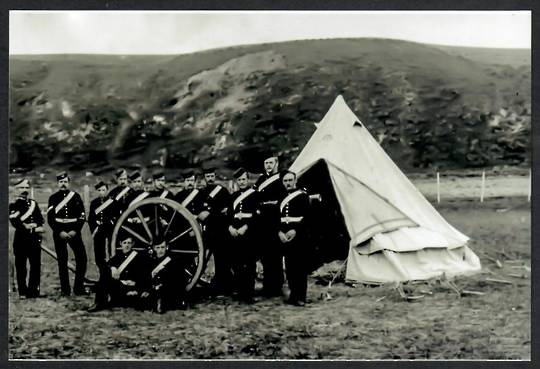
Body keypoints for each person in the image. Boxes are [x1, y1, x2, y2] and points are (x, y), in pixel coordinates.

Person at [47, 171, 88, 296]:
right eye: (61, 182)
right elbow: (50, 218)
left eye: (65, 182)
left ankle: (78, 288)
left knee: (82, 259)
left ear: (68, 183)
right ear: (58, 183)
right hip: (59, 232)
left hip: (74, 231)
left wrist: (75, 230)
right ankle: (65, 290)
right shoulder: (53, 198)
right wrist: (59, 231)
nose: (63, 184)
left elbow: (82, 216)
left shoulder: (76, 197)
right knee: (62, 261)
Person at [254, 153, 286, 297]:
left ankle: (276, 286)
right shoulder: (261, 179)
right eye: (266, 163)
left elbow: (284, 199)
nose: (268, 165)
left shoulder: (282, 178)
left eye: (271, 163)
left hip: (275, 219)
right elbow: (256, 197)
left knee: (275, 254)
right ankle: (267, 285)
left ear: (276, 163)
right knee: (265, 255)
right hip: (262, 222)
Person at [88, 235, 148, 312]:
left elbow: (142, 275)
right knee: (106, 275)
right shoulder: (118, 256)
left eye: (129, 243)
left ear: (132, 244)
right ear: (120, 243)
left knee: (106, 279)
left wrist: (135, 283)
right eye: (124, 243)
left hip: (131, 287)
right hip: (119, 286)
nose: (127, 245)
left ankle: (101, 303)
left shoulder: (138, 257)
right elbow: (107, 265)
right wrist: (112, 268)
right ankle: (99, 302)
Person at [278, 170, 311, 307]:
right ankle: (293, 295)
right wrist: (279, 232)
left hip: (299, 237)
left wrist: (295, 230)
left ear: (295, 181)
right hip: (284, 237)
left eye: (290, 180)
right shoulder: (281, 198)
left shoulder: (302, 197)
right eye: (285, 181)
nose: (288, 183)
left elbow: (308, 217)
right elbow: (276, 218)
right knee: (290, 268)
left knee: (300, 268)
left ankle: (300, 297)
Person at [9, 178, 45, 299]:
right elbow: (15, 222)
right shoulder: (13, 205)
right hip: (21, 240)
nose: (24, 190)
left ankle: (34, 292)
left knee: (35, 266)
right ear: (16, 190)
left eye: (26, 188)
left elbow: (40, 219)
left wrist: (35, 225)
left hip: (34, 240)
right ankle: (23, 292)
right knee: (21, 267)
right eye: (21, 188)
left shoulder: (34, 203)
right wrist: (30, 227)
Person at [198, 167, 232, 295]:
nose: (210, 179)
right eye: (208, 176)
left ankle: (225, 285)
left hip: (221, 231)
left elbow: (226, 210)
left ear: (215, 176)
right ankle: (216, 283)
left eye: (212, 176)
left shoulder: (222, 191)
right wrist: (213, 212)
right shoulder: (201, 193)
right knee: (206, 256)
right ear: (204, 178)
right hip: (208, 231)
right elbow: (200, 213)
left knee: (222, 259)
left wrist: (211, 213)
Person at [228, 168, 260, 303]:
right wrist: (230, 227)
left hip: (249, 235)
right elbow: (229, 214)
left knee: (249, 265)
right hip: (235, 234)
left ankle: (249, 294)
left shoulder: (255, 195)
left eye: (243, 179)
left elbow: (257, 215)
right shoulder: (233, 196)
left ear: (248, 180)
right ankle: (240, 292)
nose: (241, 182)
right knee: (237, 264)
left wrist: (246, 227)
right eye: (239, 180)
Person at [140, 240, 188, 313]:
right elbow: (146, 278)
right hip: (154, 289)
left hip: (168, 289)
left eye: (162, 247)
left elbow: (179, 280)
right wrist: (147, 290)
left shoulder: (173, 261)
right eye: (158, 247)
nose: (160, 250)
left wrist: (162, 285)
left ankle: (159, 304)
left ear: (167, 247)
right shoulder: (150, 262)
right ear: (154, 248)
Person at [88, 180, 115, 281]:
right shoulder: (94, 203)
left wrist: (110, 223)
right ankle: (103, 275)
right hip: (98, 231)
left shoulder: (113, 201)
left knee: (112, 253)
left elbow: (116, 216)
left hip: (110, 230)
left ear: (107, 190)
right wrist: (94, 228)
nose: (101, 192)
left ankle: (111, 275)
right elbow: (91, 218)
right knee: (99, 256)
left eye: (103, 190)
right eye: (99, 190)